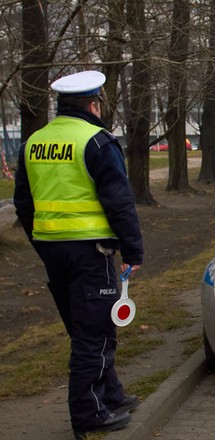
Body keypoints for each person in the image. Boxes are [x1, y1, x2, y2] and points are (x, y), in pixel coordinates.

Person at [13, 70, 143, 439]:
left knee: (85, 329)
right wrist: (133, 250)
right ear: (93, 103)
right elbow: (120, 202)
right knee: (95, 334)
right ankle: (89, 414)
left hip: (53, 252)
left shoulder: (34, 142)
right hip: (91, 252)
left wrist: (43, 243)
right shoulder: (96, 141)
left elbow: (23, 202)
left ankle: (112, 396)